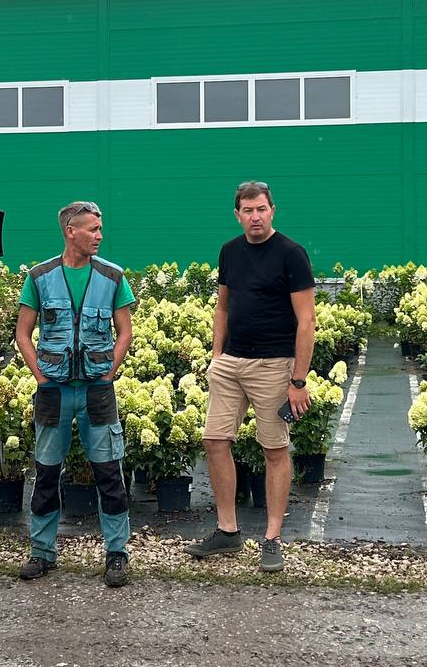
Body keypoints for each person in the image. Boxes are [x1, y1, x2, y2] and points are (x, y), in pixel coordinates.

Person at [184, 181, 315, 574]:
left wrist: (298, 380)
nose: (255, 217)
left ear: (272, 210)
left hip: (273, 365)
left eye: (261, 209)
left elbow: (306, 320)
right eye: (248, 210)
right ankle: (228, 530)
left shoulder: (291, 254)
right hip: (231, 363)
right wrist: (217, 355)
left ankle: (272, 538)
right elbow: (222, 307)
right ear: (237, 214)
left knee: (274, 449)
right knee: (214, 440)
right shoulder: (230, 251)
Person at [15, 200, 136, 588]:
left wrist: (108, 372)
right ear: (71, 231)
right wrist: (41, 377)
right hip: (54, 392)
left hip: (97, 392)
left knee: (109, 474)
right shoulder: (39, 277)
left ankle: (116, 554)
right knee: (47, 473)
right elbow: (22, 334)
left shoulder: (112, 277)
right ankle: (41, 552)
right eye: (92, 229)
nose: (99, 236)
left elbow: (125, 332)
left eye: (100, 228)